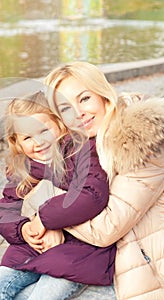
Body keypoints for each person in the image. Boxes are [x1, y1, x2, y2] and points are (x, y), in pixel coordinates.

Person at [21, 61, 164, 299]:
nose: (78, 113)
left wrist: (50, 215)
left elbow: (107, 228)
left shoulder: (143, 142)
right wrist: (35, 224)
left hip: (148, 275)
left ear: (102, 95)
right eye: (65, 108)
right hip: (115, 264)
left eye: (84, 98)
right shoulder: (87, 144)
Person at [0, 90, 117, 300]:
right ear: (17, 142)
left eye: (43, 130)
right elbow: (6, 213)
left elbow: (91, 195)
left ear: (60, 124)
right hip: (31, 251)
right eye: (27, 137)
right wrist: (24, 228)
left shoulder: (81, 152)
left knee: (43, 295)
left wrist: (45, 219)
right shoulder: (22, 170)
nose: (38, 142)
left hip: (78, 253)